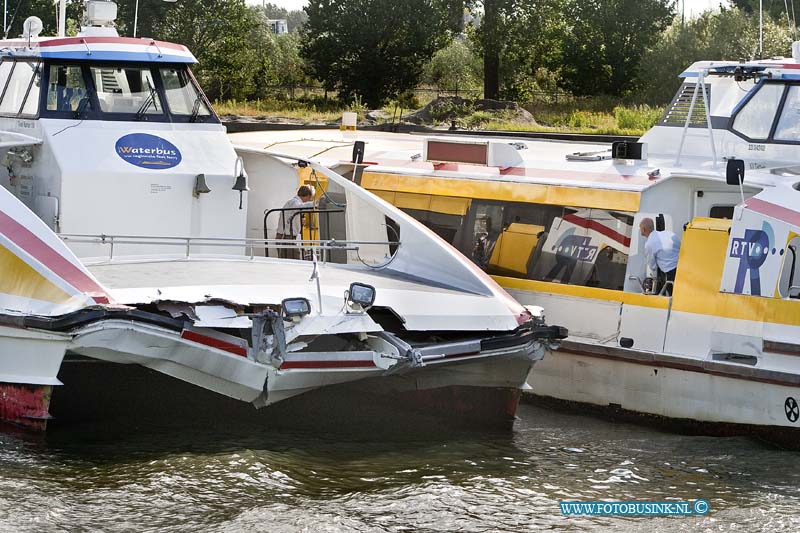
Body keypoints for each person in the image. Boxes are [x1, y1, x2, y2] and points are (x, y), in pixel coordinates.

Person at [639, 217, 681, 295]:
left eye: (640, 228)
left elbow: (653, 266)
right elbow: (680, 247)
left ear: (644, 229)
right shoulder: (669, 233)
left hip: (671, 273)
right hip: (683, 268)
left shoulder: (649, 244)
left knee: (673, 295)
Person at [277, 185, 315, 259]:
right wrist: (315, 203)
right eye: (310, 198)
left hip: (286, 236)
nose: (309, 200)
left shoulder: (292, 202)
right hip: (287, 237)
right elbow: (299, 207)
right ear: (307, 195)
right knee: (295, 261)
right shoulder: (295, 202)